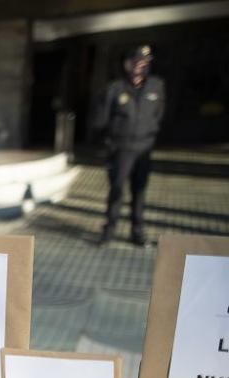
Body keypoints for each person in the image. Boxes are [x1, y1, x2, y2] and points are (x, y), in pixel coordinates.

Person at [93, 45, 165, 246]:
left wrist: (149, 136)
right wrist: (108, 144)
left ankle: (137, 232)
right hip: (120, 149)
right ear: (128, 65)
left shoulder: (156, 87)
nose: (140, 67)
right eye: (136, 62)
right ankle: (110, 230)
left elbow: (158, 115)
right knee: (116, 190)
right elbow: (101, 120)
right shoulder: (115, 89)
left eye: (145, 63)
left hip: (143, 149)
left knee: (140, 191)